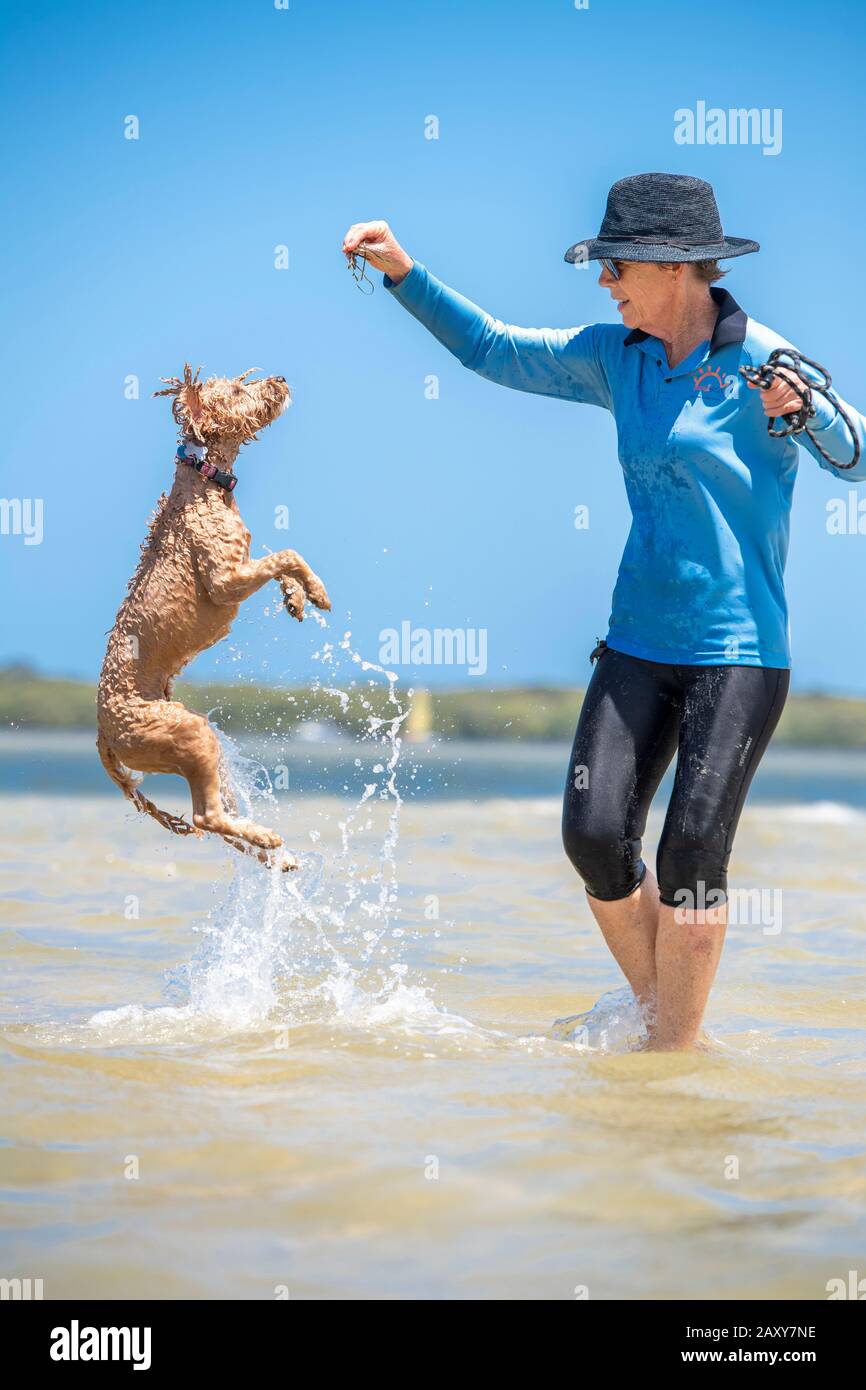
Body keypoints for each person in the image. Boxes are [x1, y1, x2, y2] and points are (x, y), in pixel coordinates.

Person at [342, 173, 866, 1050]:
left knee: (692, 853)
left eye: (614, 264)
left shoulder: (762, 359)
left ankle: (668, 1055)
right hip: (636, 641)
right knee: (593, 838)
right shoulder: (612, 354)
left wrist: (805, 411)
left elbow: (856, 458)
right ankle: (673, 1037)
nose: (603, 281)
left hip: (739, 652)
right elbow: (494, 349)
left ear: (673, 269)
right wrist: (404, 273)